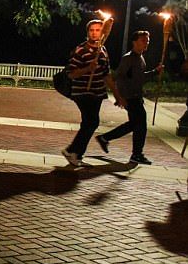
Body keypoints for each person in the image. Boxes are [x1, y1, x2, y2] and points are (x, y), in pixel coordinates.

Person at [61, 18, 125, 167]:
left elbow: (106, 75)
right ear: (87, 32)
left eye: (98, 30)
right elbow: (71, 74)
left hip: (97, 93)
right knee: (92, 122)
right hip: (83, 92)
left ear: (102, 32)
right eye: (92, 30)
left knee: (89, 123)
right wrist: (87, 69)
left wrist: (117, 95)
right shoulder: (81, 50)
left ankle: (73, 152)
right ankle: (73, 151)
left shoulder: (102, 51)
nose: (95, 33)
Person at [93, 30, 160, 165]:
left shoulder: (140, 58)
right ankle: (136, 154)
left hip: (136, 96)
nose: (146, 43)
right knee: (140, 125)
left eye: (147, 41)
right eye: (143, 40)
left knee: (134, 124)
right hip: (130, 97)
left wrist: (155, 72)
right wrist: (120, 96)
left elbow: (139, 78)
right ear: (134, 42)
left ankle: (105, 138)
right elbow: (118, 76)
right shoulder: (128, 58)